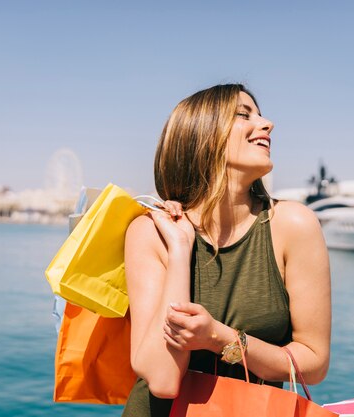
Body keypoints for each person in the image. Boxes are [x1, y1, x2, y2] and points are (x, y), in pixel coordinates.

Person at [122, 84, 331, 416]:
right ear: (201, 134)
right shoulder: (150, 232)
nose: (267, 124)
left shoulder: (294, 225)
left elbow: (314, 363)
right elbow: (163, 380)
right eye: (243, 114)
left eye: (259, 114)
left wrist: (219, 338)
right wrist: (179, 250)